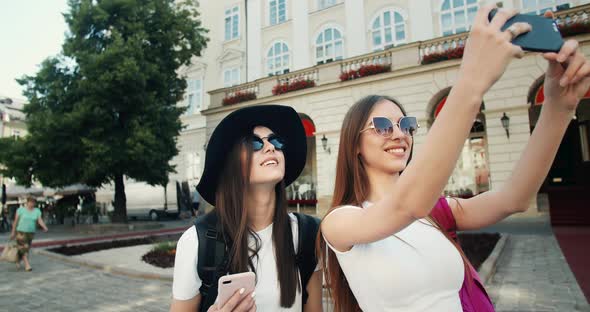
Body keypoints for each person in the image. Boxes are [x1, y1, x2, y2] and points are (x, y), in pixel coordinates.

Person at [318, 6, 590, 312]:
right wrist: (471, 81)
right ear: (354, 144)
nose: (399, 134)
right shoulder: (339, 222)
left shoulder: (437, 210)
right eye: (382, 127)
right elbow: (405, 205)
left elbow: (514, 198)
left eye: (406, 125)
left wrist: (559, 106)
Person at [170, 105, 323, 312]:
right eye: (254, 143)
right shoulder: (198, 241)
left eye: (275, 141)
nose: (271, 147)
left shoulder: (307, 234)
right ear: (232, 165)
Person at [10, 196, 49, 271]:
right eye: (30, 202)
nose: (32, 204)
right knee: (24, 248)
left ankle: (17, 259)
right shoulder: (20, 210)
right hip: (21, 232)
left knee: (25, 248)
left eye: (33, 202)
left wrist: (44, 227)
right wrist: (13, 232)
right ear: (27, 202)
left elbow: (39, 220)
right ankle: (27, 265)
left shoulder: (37, 211)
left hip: (31, 233)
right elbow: (15, 222)